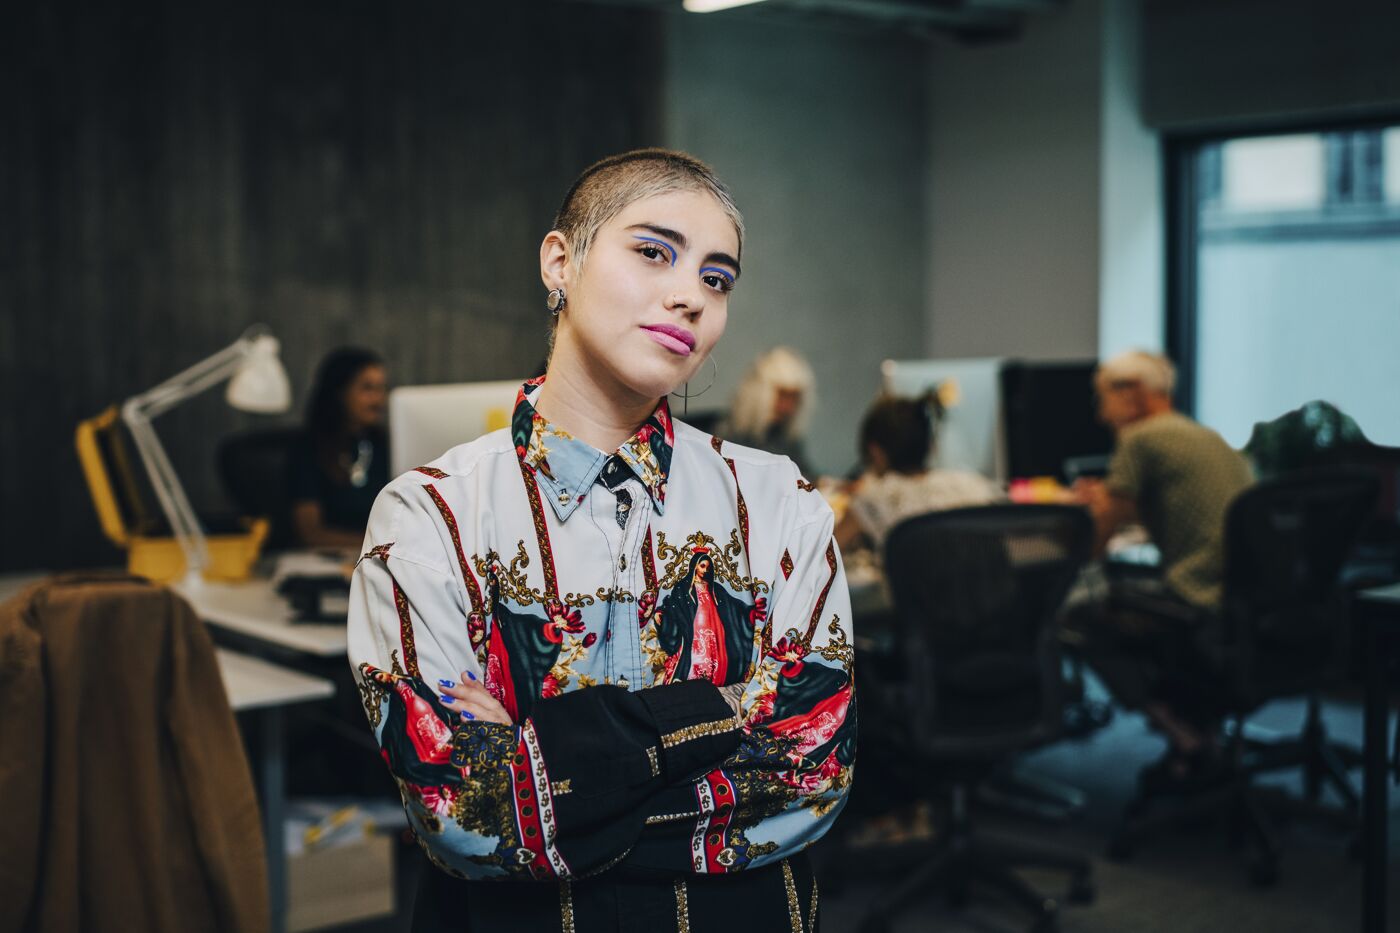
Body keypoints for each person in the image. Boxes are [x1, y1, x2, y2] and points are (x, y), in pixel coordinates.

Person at [347, 149, 855, 931]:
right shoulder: (428, 515)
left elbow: (813, 770)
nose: (690, 296)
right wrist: (721, 711)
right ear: (560, 261)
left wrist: (535, 762)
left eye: (717, 279)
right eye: (653, 251)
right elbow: (459, 814)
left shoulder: (778, 503)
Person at [1070, 350, 1254, 782]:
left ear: (1133, 394)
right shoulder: (1202, 434)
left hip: (1197, 597)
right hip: (1245, 598)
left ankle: (1181, 730)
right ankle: (1199, 731)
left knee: (1078, 616)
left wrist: (1070, 552)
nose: (1101, 416)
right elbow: (1166, 503)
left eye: (1103, 400)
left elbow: (1099, 539)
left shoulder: (1141, 439)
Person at [835, 392, 1004, 554]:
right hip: (986, 583)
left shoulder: (875, 499)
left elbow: (820, 557)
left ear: (875, 452)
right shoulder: (973, 485)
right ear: (929, 445)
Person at [287, 348, 390, 550]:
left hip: (376, 559)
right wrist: (377, 545)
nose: (378, 400)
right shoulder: (308, 448)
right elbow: (310, 533)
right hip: (323, 562)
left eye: (381, 389)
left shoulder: (383, 444)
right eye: (367, 389)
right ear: (340, 392)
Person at [723, 346, 817, 477]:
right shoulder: (727, 435)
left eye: (794, 398)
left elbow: (806, 477)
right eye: (782, 396)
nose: (787, 407)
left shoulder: (786, 439)